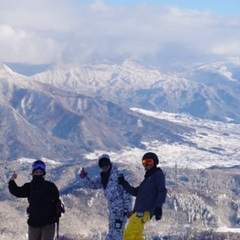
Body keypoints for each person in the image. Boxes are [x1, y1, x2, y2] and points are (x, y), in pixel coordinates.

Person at [79, 154, 133, 240]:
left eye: (106, 164)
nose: (104, 166)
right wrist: (84, 177)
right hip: (112, 211)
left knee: (116, 233)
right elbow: (92, 185)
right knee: (112, 232)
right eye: (101, 165)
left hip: (120, 211)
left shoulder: (118, 176)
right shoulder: (103, 177)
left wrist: (128, 209)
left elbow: (126, 192)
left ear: (110, 163)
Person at [8, 160, 64, 240]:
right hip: (35, 222)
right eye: (36, 172)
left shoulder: (50, 186)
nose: (38, 173)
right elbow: (17, 192)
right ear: (33, 173)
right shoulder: (30, 186)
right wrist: (12, 181)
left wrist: (58, 208)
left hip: (47, 222)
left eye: (40, 172)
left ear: (43, 173)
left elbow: (56, 200)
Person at [118, 152, 167, 240]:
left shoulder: (157, 174)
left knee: (128, 234)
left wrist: (158, 207)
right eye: (145, 162)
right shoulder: (148, 178)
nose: (147, 164)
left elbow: (162, 190)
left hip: (143, 211)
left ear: (155, 162)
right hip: (140, 212)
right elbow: (136, 192)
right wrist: (123, 183)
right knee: (137, 236)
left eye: (149, 161)